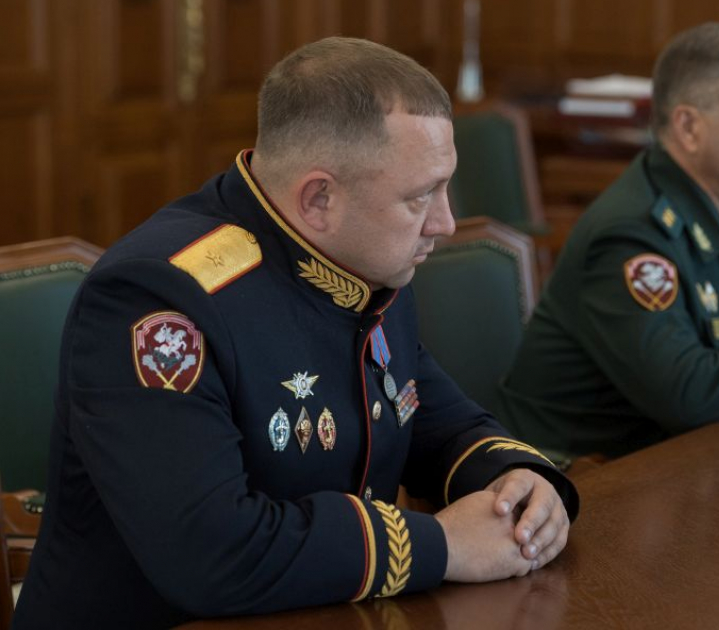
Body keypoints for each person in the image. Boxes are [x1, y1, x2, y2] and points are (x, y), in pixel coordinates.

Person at [13, 37, 578, 629]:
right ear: (318, 198)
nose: (445, 221)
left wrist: (523, 489)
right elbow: (212, 553)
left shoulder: (363, 262)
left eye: (444, 186)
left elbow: (436, 422)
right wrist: (442, 545)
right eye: (419, 197)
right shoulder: (157, 301)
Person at [500, 22, 719, 460]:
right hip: (586, 485)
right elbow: (689, 390)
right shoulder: (629, 236)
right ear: (689, 127)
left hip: (709, 459)